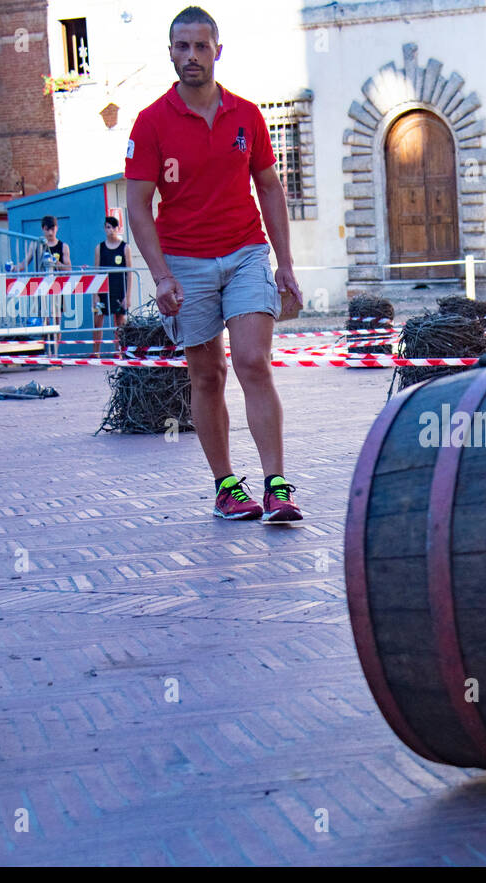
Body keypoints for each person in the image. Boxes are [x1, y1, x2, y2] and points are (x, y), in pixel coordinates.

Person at [125, 5, 304, 522]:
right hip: (185, 263)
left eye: (201, 46)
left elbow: (270, 187)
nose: (192, 56)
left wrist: (285, 262)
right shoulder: (152, 122)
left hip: (247, 252)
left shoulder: (246, 115)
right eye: (182, 47)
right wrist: (161, 275)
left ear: (217, 50)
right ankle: (226, 486)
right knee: (207, 375)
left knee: (252, 361)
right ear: (172, 54)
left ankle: (277, 486)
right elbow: (138, 204)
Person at [93, 215, 132, 357]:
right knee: (97, 320)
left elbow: (130, 274)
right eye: (107, 227)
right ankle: (95, 352)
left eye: (113, 227)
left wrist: (127, 296)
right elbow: (96, 271)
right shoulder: (100, 248)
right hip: (103, 290)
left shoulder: (125, 247)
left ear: (118, 229)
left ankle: (119, 351)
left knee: (120, 322)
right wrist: (95, 294)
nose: (110, 230)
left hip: (119, 289)